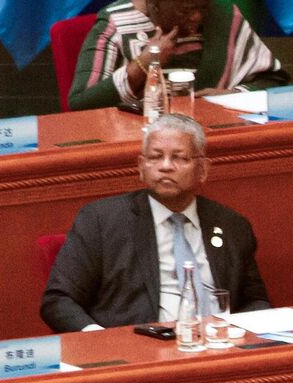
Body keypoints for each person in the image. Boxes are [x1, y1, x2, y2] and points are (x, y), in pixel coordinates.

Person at [42, 114, 271, 332]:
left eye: (179, 157)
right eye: (155, 157)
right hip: (137, 353)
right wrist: (99, 338)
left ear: (202, 169)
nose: (166, 166)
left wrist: (242, 331)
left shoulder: (232, 225)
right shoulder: (102, 220)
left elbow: (255, 301)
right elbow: (59, 300)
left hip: (215, 348)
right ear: (141, 167)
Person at [68, 0, 289, 112]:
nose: (196, 17)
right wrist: (144, 63)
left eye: (202, 7)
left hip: (214, 141)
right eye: (185, 10)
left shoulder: (223, 16)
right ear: (153, 4)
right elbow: (81, 103)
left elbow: (274, 85)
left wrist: (230, 95)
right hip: (138, 149)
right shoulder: (116, 22)